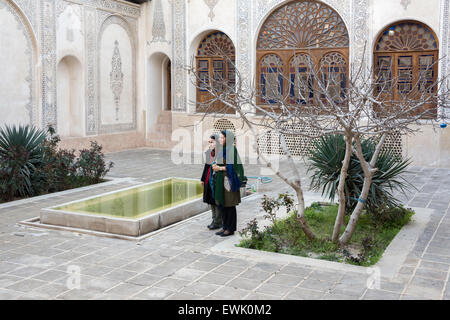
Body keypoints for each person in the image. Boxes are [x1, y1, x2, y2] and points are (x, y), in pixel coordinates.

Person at [212, 130, 245, 237]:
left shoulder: (232, 150)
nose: (220, 140)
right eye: (220, 138)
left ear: (228, 139)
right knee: (224, 204)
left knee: (229, 204)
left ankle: (230, 229)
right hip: (221, 179)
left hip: (228, 181)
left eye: (222, 138)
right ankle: (225, 226)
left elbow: (234, 167)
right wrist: (215, 166)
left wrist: (219, 168)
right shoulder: (223, 149)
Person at [201, 134, 222, 230]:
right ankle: (214, 220)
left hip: (216, 179)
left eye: (212, 142)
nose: (210, 144)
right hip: (208, 179)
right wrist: (202, 179)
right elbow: (206, 166)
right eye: (209, 142)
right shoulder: (210, 153)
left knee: (217, 201)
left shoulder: (221, 153)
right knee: (211, 201)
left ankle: (218, 221)